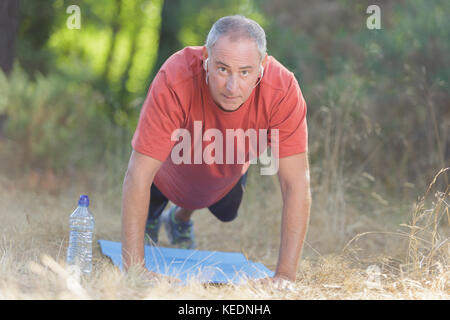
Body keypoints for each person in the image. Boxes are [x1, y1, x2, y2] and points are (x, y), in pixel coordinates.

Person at [121, 15, 311, 283]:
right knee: (151, 199)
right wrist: (135, 271)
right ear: (206, 58)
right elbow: (138, 174)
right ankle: (153, 216)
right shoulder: (175, 76)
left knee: (226, 211)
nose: (232, 88)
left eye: (245, 72)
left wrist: (285, 276)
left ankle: (178, 219)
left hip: (226, 168)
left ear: (263, 65)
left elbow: (296, 184)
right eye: (222, 69)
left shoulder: (283, 90)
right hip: (167, 171)